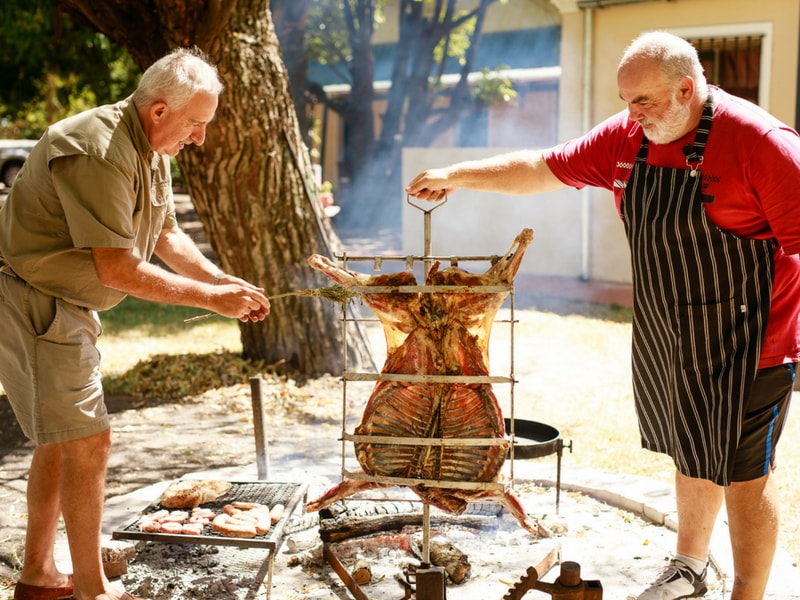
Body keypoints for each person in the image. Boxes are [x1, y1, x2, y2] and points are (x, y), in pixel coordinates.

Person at [406, 31, 799, 600]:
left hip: (753, 340)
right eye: (626, 100)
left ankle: (748, 593)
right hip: (673, 332)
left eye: (643, 101)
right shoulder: (628, 137)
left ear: (687, 89)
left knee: (743, 475)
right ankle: (689, 568)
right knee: (694, 447)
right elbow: (544, 167)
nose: (631, 114)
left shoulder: (759, 142)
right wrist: (457, 174)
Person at [0, 47, 270, 600]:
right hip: (34, 299)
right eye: (196, 124)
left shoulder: (149, 146)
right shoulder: (100, 149)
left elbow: (167, 235)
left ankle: (38, 578)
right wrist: (211, 302)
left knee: (62, 439)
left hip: (66, 303)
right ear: (160, 111)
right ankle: (92, 592)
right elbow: (119, 268)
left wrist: (222, 283)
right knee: (89, 440)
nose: (200, 138)